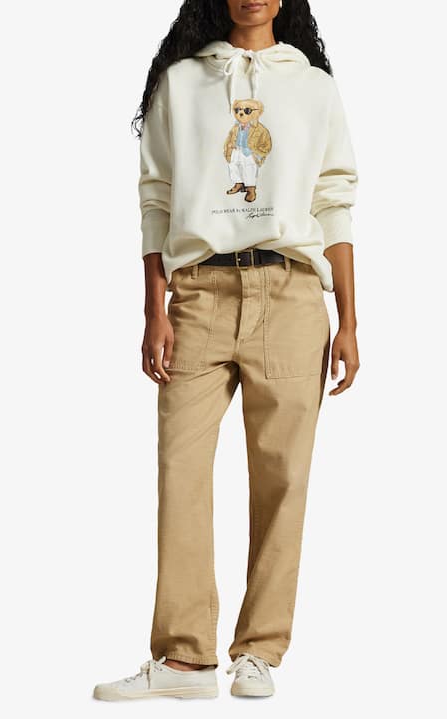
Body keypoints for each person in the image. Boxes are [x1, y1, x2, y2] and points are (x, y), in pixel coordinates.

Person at [93, 0, 359, 701]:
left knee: (283, 478)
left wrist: (349, 319)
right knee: (180, 470)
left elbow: (334, 200)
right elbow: (155, 198)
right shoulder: (181, 82)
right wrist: (153, 308)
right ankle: (184, 660)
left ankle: (260, 651)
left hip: (291, 293)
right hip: (199, 295)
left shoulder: (313, 87)